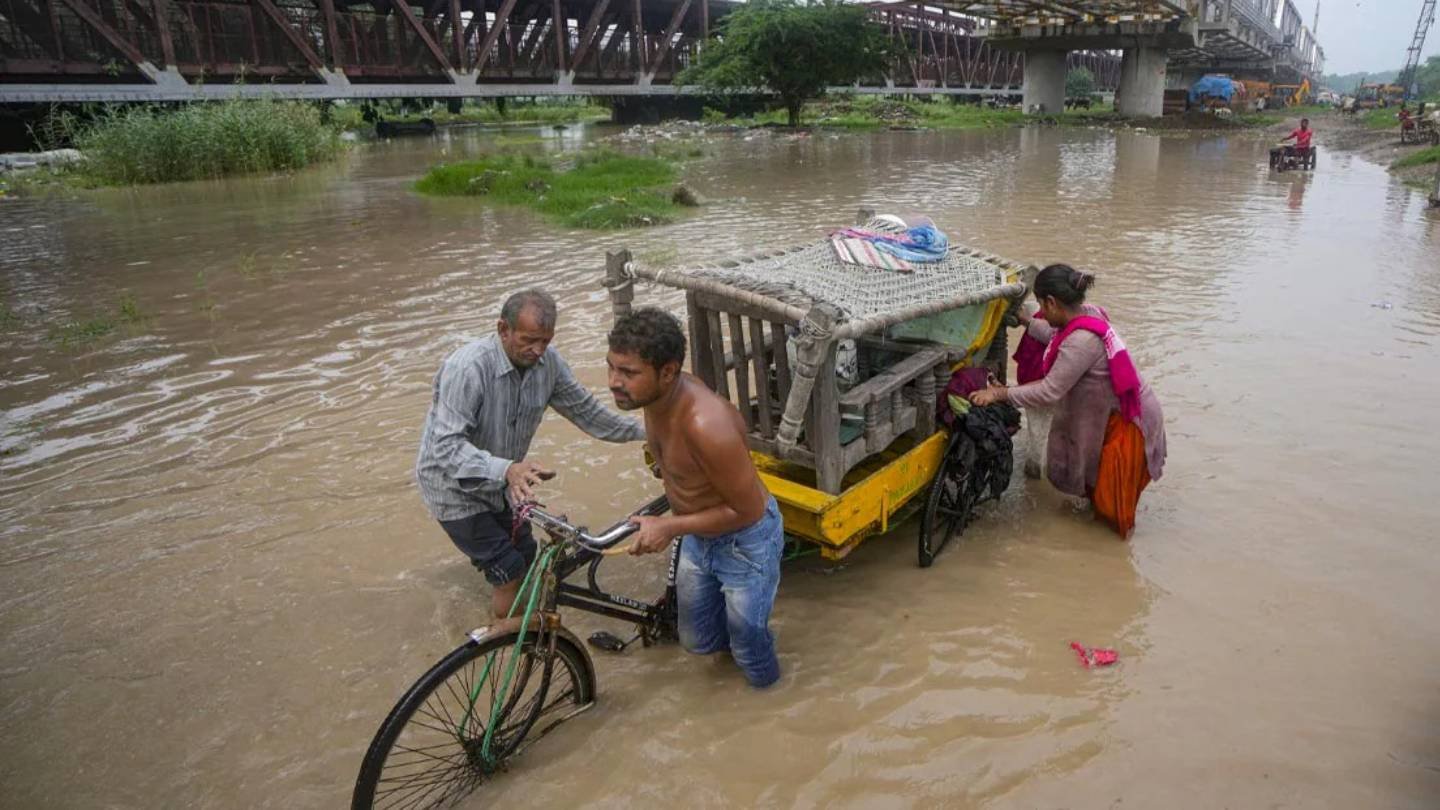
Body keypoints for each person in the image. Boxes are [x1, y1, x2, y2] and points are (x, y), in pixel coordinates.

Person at [415, 290, 645, 618]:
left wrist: (646, 433)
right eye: (529, 340)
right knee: (509, 571)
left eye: (545, 342)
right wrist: (507, 469)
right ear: (503, 330)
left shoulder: (548, 365)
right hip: (452, 487)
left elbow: (588, 414)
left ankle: (522, 632)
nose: (537, 350)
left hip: (504, 483)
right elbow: (445, 448)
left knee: (527, 556)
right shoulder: (467, 368)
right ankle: (510, 650)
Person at [605, 308, 783, 688]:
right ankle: (724, 677)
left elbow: (748, 509)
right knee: (698, 638)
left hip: (745, 540)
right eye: (611, 368)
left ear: (667, 372)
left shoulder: (706, 423)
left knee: (750, 645)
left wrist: (670, 526)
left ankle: (768, 701)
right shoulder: (655, 398)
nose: (613, 383)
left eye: (628, 373)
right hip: (698, 534)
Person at [970, 265, 1166, 538]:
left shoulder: (1081, 342)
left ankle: (1105, 557)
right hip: (1119, 411)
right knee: (1098, 490)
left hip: (1130, 421)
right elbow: (1054, 335)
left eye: (1040, 305)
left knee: (1112, 508)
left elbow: (1049, 391)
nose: (1040, 311)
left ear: (1051, 302)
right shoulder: (1089, 315)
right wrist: (1027, 322)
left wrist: (999, 394)